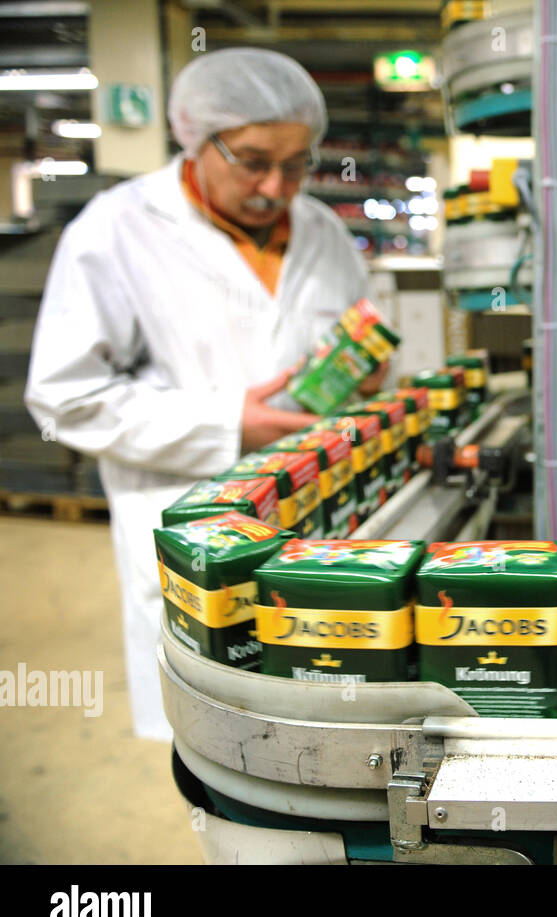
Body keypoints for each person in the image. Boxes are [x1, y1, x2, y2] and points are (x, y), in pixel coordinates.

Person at [25, 48, 381, 741]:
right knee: (213, 738)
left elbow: (352, 339)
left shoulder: (324, 231)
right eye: (252, 160)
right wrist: (228, 423)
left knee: (324, 717)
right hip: (190, 525)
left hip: (319, 518)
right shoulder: (114, 229)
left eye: (298, 162)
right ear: (196, 136)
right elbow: (64, 396)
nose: (277, 186)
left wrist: (365, 376)